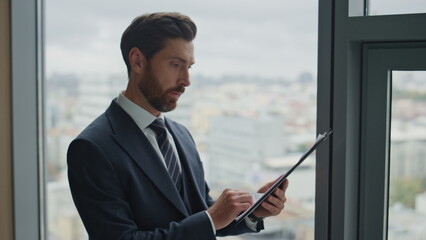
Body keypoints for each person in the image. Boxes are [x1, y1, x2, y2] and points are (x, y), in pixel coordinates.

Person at [67, 12, 289, 240]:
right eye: (175, 65)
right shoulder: (92, 148)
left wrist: (253, 212)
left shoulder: (181, 135)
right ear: (137, 61)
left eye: (189, 67)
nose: (186, 80)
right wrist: (211, 218)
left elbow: (200, 214)